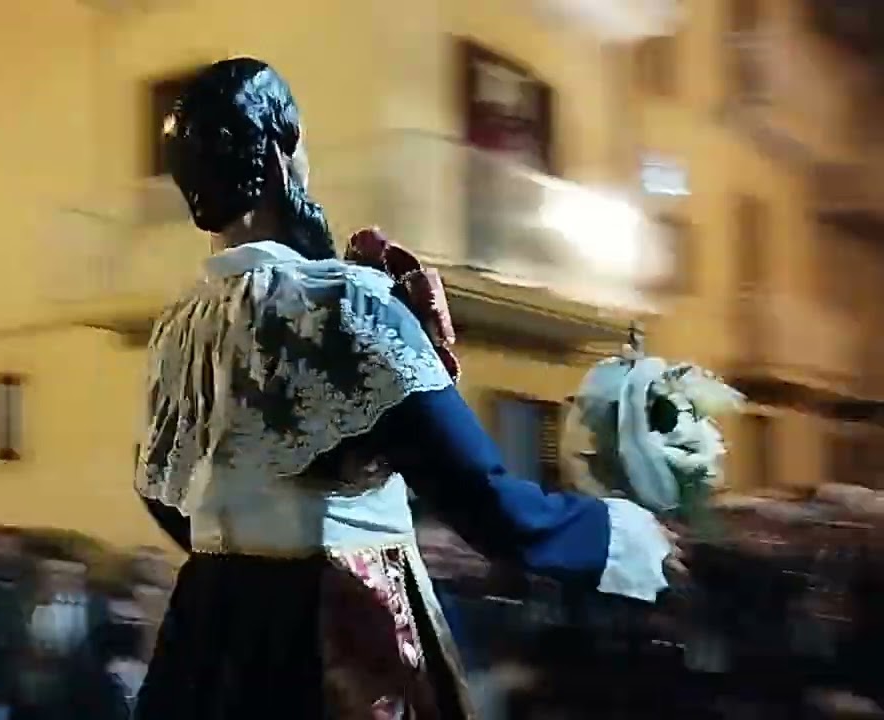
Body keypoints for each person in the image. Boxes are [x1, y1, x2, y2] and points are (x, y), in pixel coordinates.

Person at [133, 57, 682, 720]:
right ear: (280, 157)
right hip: (336, 634)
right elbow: (485, 501)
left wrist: (247, 551)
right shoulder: (346, 305)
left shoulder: (178, 330)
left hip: (208, 638)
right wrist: (626, 539)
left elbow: (163, 494)